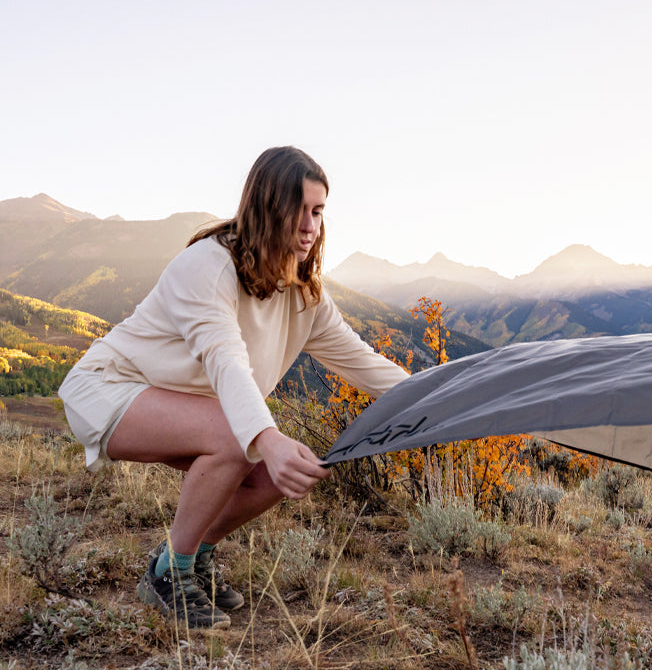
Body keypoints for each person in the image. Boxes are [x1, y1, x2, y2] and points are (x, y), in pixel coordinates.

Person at [58, 146, 409, 629]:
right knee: (240, 436)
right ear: (267, 206)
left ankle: (194, 552)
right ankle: (169, 573)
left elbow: (365, 365)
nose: (310, 226)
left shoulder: (302, 293)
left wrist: (444, 398)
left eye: (318, 211)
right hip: (109, 388)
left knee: (272, 471)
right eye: (299, 209)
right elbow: (227, 364)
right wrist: (266, 438)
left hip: (185, 405)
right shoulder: (208, 267)